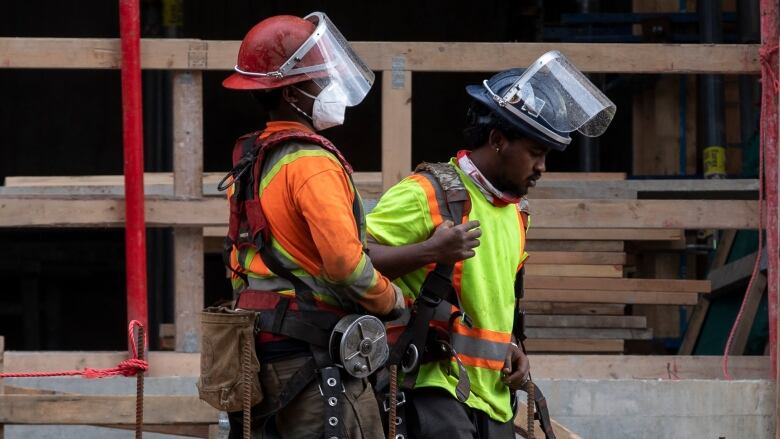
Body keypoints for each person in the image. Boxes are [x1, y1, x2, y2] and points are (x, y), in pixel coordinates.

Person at [367, 51, 615, 438]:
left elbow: (492, 305)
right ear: (498, 140)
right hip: (434, 391)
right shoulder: (426, 193)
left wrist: (512, 347)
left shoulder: (517, 214)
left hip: (496, 399)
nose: (542, 168)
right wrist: (430, 252)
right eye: (535, 153)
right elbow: (354, 261)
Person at [219, 12, 406, 438]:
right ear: (292, 93)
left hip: (260, 357)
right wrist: (391, 299)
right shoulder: (311, 162)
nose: (331, 88)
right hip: (312, 362)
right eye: (322, 79)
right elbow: (344, 264)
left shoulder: (254, 159)